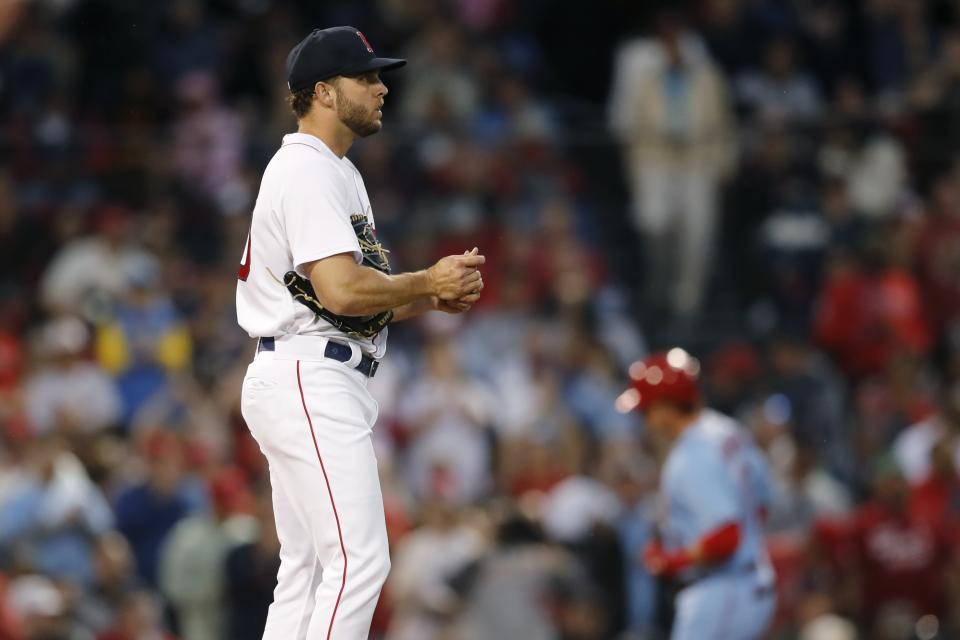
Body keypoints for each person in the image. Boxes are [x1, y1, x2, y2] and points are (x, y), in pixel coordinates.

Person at [236, 26, 486, 640]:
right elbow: (342, 291)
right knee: (361, 559)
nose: (380, 89)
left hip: (305, 366)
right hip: (309, 374)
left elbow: (348, 302)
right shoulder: (307, 169)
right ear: (322, 91)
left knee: (308, 566)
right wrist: (425, 278)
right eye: (366, 77)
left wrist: (429, 295)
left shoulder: (334, 171)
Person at [617, 348, 775, 639]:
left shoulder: (690, 459)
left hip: (720, 590)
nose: (644, 419)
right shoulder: (726, 429)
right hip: (750, 581)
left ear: (665, 408)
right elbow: (763, 503)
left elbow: (727, 535)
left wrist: (670, 561)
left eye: (647, 409)